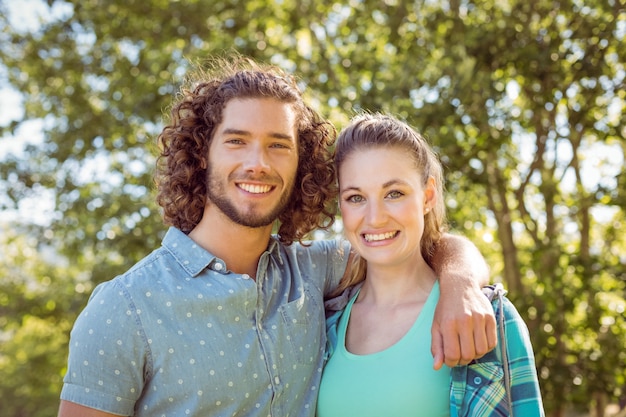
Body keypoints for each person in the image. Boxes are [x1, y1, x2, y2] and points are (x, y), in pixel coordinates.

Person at [58, 56, 496, 417]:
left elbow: (415, 244)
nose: (258, 163)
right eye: (236, 141)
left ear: (300, 164)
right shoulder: (124, 308)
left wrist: (460, 285)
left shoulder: (313, 272)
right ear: (201, 155)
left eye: (278, 145)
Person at [317, 113, 544, 416]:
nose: (375, 218)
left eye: (394, 193)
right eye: (356, 197)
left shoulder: (487, 318)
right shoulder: (323, 321)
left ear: (428, 196)